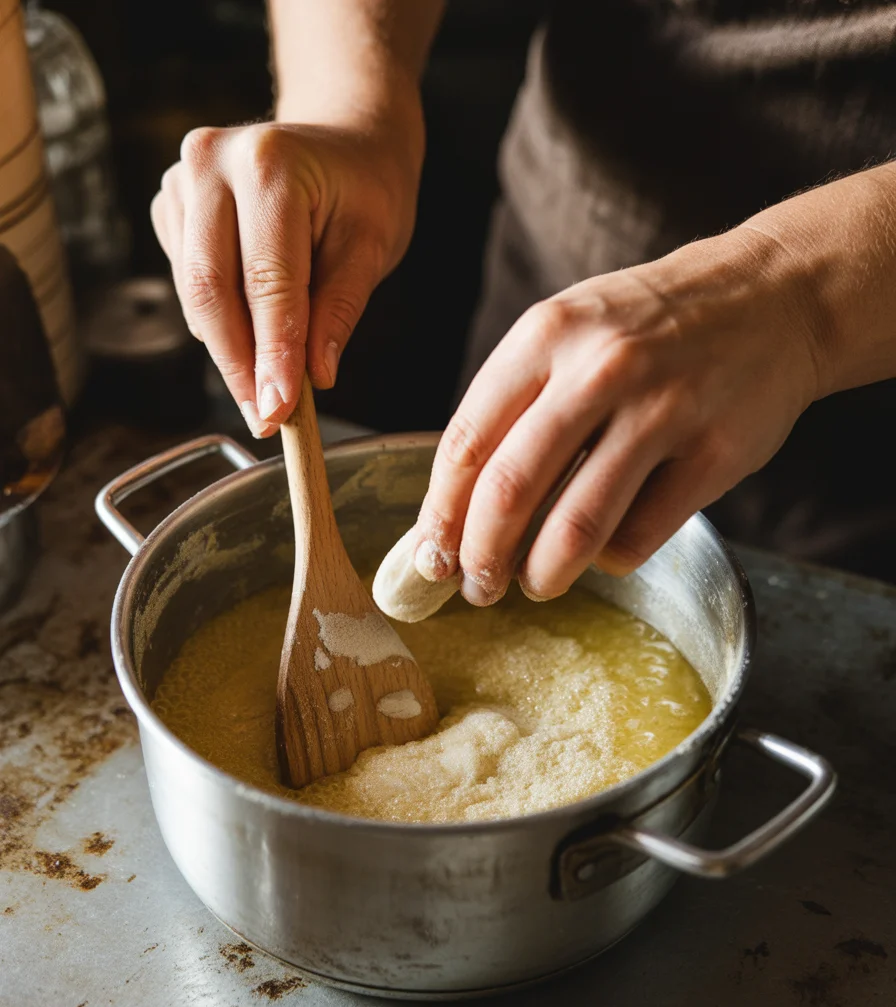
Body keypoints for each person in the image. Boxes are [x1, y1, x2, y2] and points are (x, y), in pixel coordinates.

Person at [151, 0, 896, 607]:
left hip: (872, 384)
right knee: (494, 521)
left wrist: (799, 298)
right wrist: (346, 108)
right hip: (579, 247)